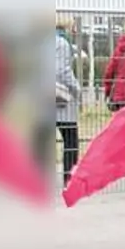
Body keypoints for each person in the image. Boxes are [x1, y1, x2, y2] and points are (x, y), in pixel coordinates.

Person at [52, 17, 81, 186]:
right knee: (70, 140)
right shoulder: (62, 43)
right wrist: (76, 88)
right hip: (60, 98)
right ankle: (68, 179)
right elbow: (62, 70)